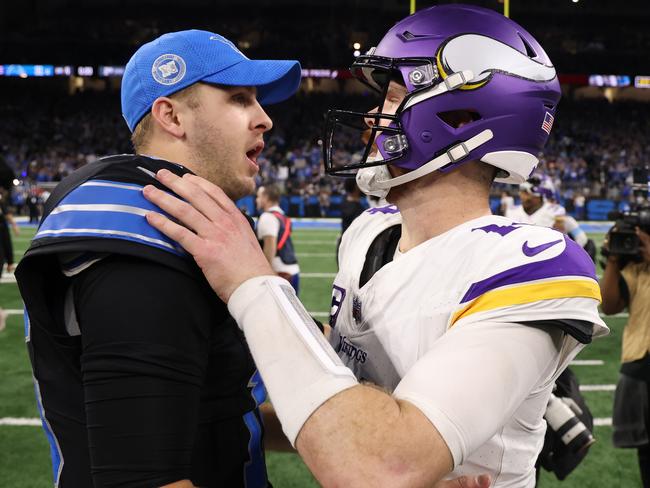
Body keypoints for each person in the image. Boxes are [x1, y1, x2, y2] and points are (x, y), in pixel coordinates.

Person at [143, 5, 608, 487]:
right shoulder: (369, 232)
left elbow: (381, 467)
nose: (370, 117)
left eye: (391, 97)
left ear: (460, 115)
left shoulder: (529, 262)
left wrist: (252, 281)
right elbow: (332, 421)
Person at [15, 29, 302, 488]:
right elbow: (141, 478)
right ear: (171, 116)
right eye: (239, 99)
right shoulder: (142, 238)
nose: (265, 118)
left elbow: (215, 415)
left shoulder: (182, 224)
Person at [600, 226, 650, 487]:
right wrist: (614, 260)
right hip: (640, 366)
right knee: (646, 454)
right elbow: (609, 306)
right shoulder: (637, 269)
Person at [255, 183, 300, 293]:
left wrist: (264, 275)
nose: (257, 200)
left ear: (266, 197)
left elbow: (270, 248)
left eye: (259, 196)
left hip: (280, 273)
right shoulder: (282, 215)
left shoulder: (267, 217)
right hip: (291, 270)